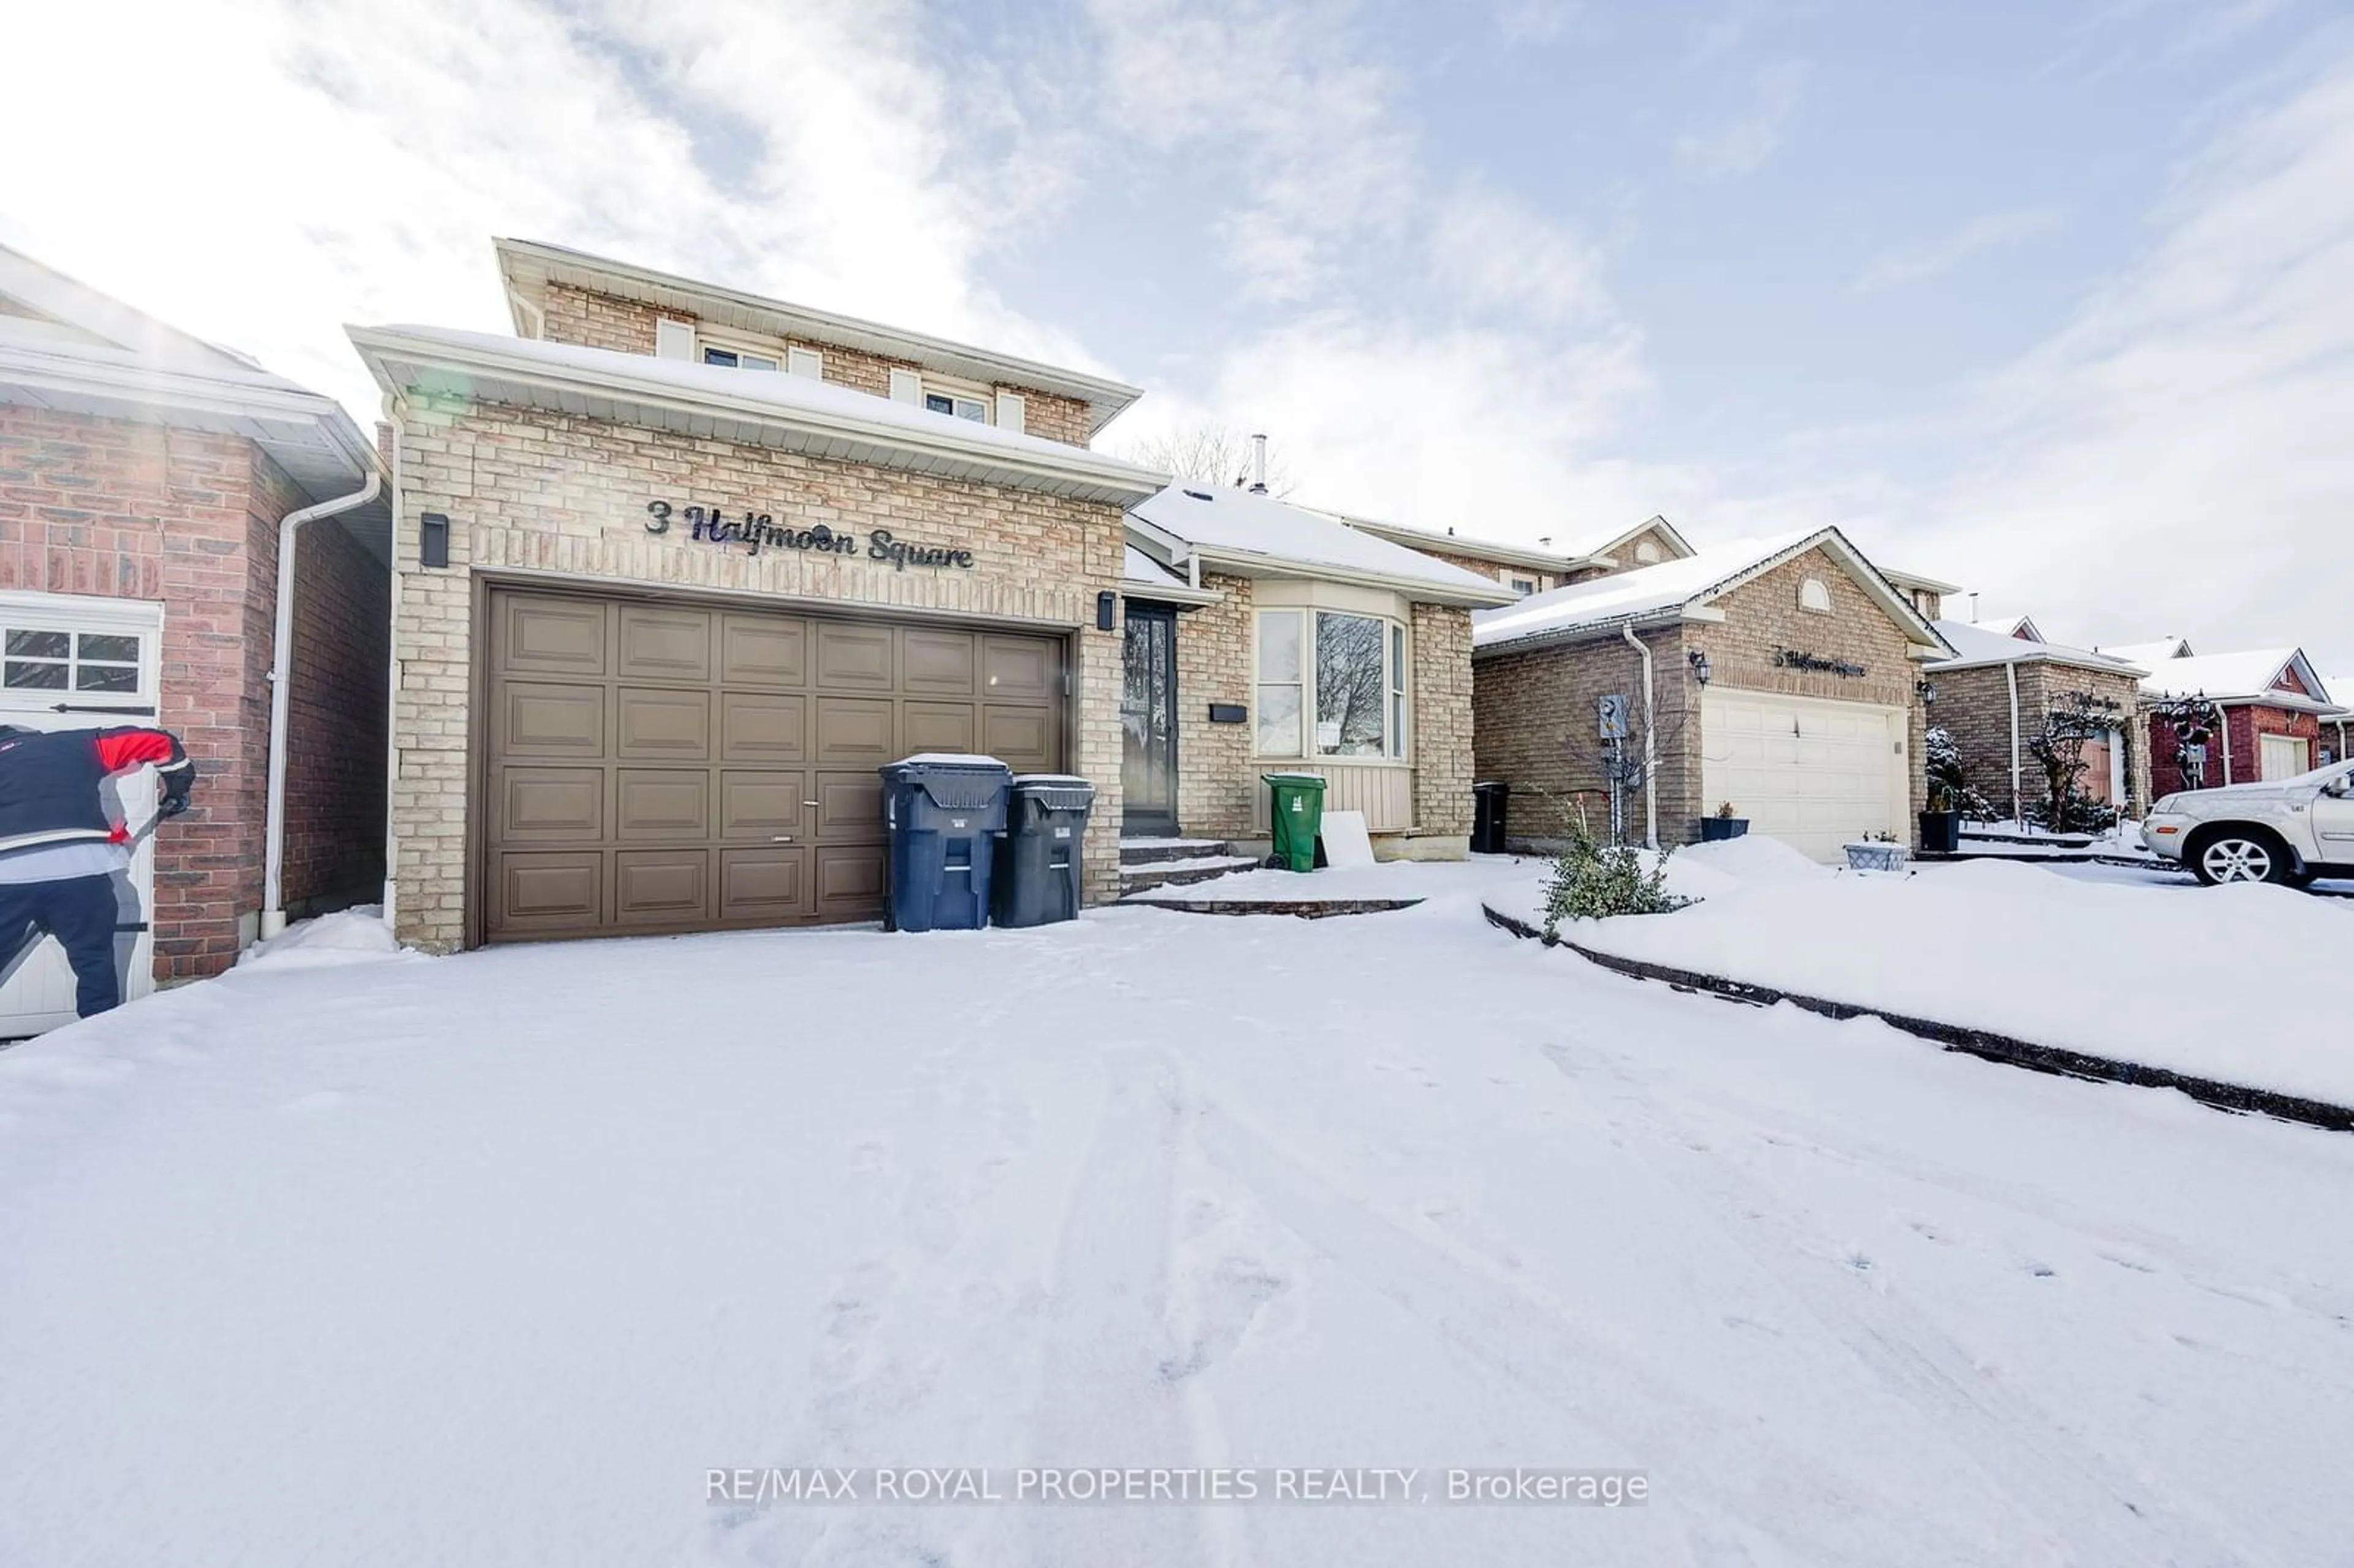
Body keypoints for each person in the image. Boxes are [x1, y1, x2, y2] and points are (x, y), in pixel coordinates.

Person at [0, 724, 194, 1018]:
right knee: (94, 964)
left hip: (8, 875)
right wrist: (178, 787)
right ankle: (99, 1041)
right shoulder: (78, 743)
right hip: (82, 870)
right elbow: (159, 742)